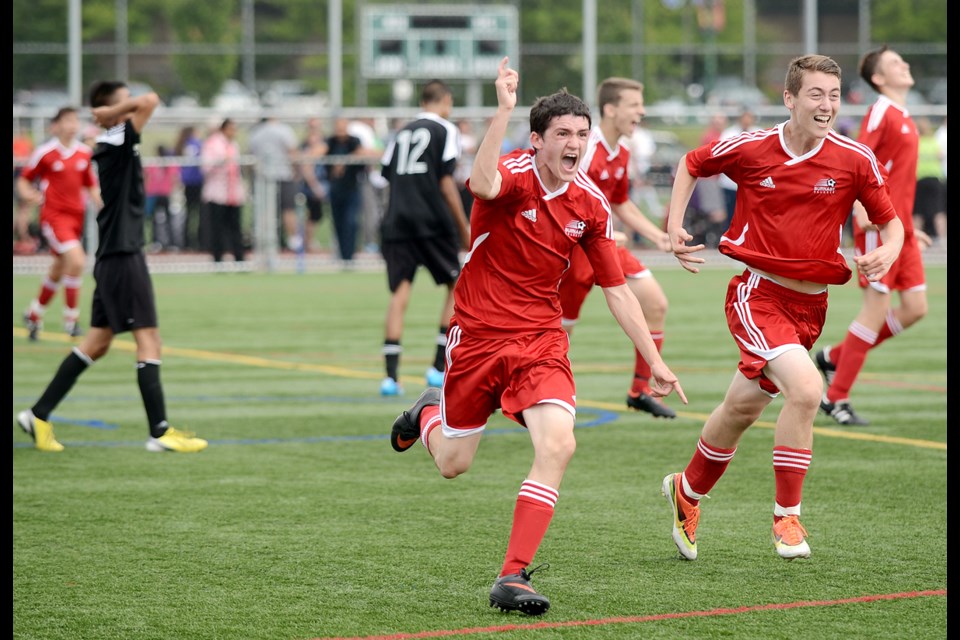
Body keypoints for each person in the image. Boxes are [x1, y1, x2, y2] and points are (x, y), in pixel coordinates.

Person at [388, 58, 687, 615]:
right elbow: (479, 182)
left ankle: (513, 575)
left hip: (540, 341)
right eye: (563, 135)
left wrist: (654, 359)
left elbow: (617, 290)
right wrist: (502, 109)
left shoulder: (590, 204)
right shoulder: (513, 175)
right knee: (453, 464)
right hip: (477, 336)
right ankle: (427, 412)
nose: (575, 144)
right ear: (537, 140)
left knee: (559, 444)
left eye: (582, 134)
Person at [659, 54, 903, 564]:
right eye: (816, 94)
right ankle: (786, 516)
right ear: (790, 98)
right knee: (809, 389)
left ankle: (687, 490)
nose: (827, 105)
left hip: (812, 306)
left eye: (834, 96)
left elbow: (892, 222)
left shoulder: (854, 158)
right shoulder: (752, 148)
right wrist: (673, 227)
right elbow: (691, 163)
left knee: (741, 409)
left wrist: (889, 249)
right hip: (758, 294)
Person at [15, 81, 208, 454]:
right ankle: (159, 431)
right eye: (123, 101)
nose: (132, 105)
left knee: (97, 343)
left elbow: (142, 105)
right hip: (123, 254)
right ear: (112, 111)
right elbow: (151, 99)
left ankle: (38, 415)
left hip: (113, 254)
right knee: (149, 338)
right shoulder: (117, 136)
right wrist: (110, 113)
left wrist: (112, 112)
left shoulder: (113, 140)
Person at [814, 46, 932, 427]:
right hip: (879, 226)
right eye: (896, 63)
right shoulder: (881, 111)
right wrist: (862, 210)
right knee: (875, 310)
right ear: (879, 78)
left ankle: (835, 358)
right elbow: (860, 158)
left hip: (902, 230)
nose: (905, 65)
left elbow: (895, 176)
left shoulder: (903, 115)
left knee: (915, 308)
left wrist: (912, 228)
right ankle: (836, 398)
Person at [557, 77, 676, 418]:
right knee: (559, 332)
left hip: (603, 246)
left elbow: (620, 202)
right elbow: (563, 198)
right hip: (574, 251)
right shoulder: (585, 148)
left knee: (654, 303)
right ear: (610, 110)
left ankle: (640, 390)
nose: (641, 111)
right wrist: (596, 231)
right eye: (634, 105)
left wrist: (658, 236)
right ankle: (524, 392)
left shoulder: (621, 151)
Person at [378, 80, 471, 396]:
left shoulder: (401, 132)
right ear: (445, 100)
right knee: (456, 285)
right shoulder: (446, 130)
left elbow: (385, 177)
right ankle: (436, 368)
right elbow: (446, 182)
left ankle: (390, 379)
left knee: (400, 292)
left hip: (397, 221)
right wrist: (464, 228)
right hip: (431, 220)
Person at [19, 106, 102, 341]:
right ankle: (71, 320)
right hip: (54, 218)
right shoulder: (45, 152)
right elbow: (25, 181)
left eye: (75, 120)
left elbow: (90, 184)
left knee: (58, 268)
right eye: (66, 120)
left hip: (76, 219)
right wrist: (29, 195)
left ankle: (34, 314)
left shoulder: (84, 153)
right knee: (77, 260)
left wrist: (99, 201)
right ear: (55, 125)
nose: (72, 125)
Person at [248, 116, 301, 252]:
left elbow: (251, 155)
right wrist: (296, 172)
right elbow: (292, 152)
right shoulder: (284, 130)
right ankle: (293, 242)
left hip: (263, 177)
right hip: (283, 175)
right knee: (288, 210)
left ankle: (265, 242)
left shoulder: (256, 132)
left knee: (265, 211)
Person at [201, 118, 247, 264]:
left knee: (235, 226)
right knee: (217, 227)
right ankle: (217, 258)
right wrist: (222, 160)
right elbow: (205, 167)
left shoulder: (233, 144)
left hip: (233, 193)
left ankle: (239, 258)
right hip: (217, 193)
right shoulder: (212, 143)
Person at [324, 116, 368, 264]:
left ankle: (349, 256)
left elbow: (361, 153)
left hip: (351, 188)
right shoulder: (330, 141)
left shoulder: (353, 141)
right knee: (338, 223)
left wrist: (343, 162)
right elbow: (319, 151)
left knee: (351, 222)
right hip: (335, 189)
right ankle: (343, 255)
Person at [717, 107, 761, 229]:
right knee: (731, 214)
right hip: (730, 183)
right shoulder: (728, 134)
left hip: (751, 184)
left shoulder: (759, 133)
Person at [143, 144, 181, 252]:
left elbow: (147, 178)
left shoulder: (156, 163)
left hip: (155, 194)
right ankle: (168, 242)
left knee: (155, 219)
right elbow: (175, 179)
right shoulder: (167, 163)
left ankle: (157, 241)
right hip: (162, 193)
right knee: (167, 220)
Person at [913, 117, 945, 244]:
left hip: (920, 179)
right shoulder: (934, 142)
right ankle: (942, 240)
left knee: (918, 212)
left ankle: (914, 240)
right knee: (938, 211)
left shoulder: (916, 142)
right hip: (934, 178)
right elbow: (941, 156)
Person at [299, 117, 329, 252]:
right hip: (314, 184)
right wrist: (314, 185)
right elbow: (307, 166)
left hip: (323, 181)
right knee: (314, 214)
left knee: (317, 214)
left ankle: (308, 241)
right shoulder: (307, 144)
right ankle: (307, 242)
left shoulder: (323, 141)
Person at [174, 125, 206, 251]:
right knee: (199, 213)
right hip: (197, 182)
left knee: (189, 213)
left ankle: (186, 241)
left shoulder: (183, 144)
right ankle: (198, 241)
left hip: (187, 182)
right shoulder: (197, 143)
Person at [13, 124, 40, 254]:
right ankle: (23, 238)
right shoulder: (17, 143)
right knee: (23, 211)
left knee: (24, 211)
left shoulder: (26, 142)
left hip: (24, 178)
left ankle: (24, 238)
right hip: (20, 179)